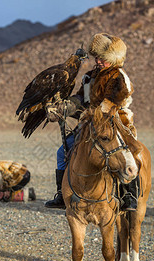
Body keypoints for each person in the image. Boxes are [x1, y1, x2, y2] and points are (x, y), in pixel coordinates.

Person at [45, 32, 139, 211]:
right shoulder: (89, 77)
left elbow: (114, 101)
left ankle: (128, 195)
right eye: (97, 57)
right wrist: (64, 108)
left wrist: (97, 113)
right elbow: (82, 98)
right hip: (90, 123)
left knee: (130, 154)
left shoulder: (119, 76)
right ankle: (62, 194)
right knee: (62, 152)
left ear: (113, 58)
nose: (98, 61)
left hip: (117, 121)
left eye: (102, 58)